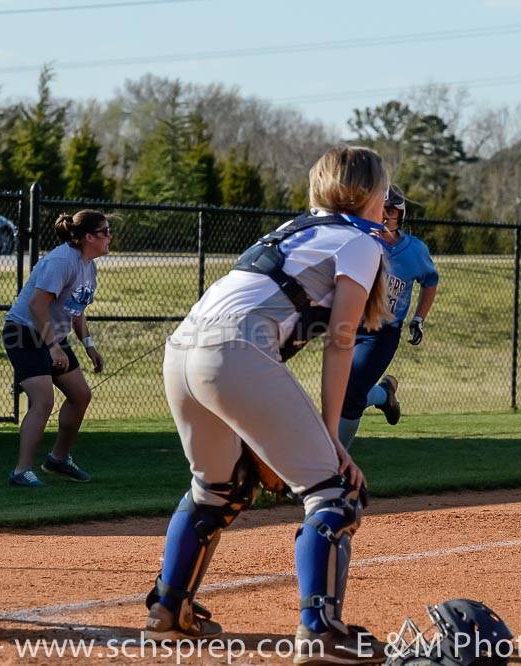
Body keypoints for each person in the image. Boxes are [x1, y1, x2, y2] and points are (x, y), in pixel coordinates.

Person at [144, 146, 392, 664]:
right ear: (368, 193)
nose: (387, 200)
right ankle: (320, 632)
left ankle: (169, 610)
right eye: (384, 189)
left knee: (218, 488)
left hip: (182, 349)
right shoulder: (357, 241)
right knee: (335, 491)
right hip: (233, 350)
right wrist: (330, 441)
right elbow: (341, 340)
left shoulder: (296, 229)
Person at [2, 210, 110, 488]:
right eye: (105, 232)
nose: (110, 237)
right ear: (88, 237)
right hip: (24, 331)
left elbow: (76, 311)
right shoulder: (62, 261)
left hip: (49, 335)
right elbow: (37, 305)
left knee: (81, 395)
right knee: (43, 400)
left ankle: (57, 460)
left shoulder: (88, 266)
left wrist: (89, 346)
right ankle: (21, 471)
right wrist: (53, 347)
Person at [338, 184, 439, 448]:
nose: (385, 215)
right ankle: (384, 395)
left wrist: (418, 318)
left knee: (349, 395)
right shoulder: (362, 241)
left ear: (401, 215)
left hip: (381, 334)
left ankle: (337, 463)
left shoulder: (414, 251)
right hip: (350, 325)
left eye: (391, 210)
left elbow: (430, 280)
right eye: (380, 209)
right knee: (342, 391)